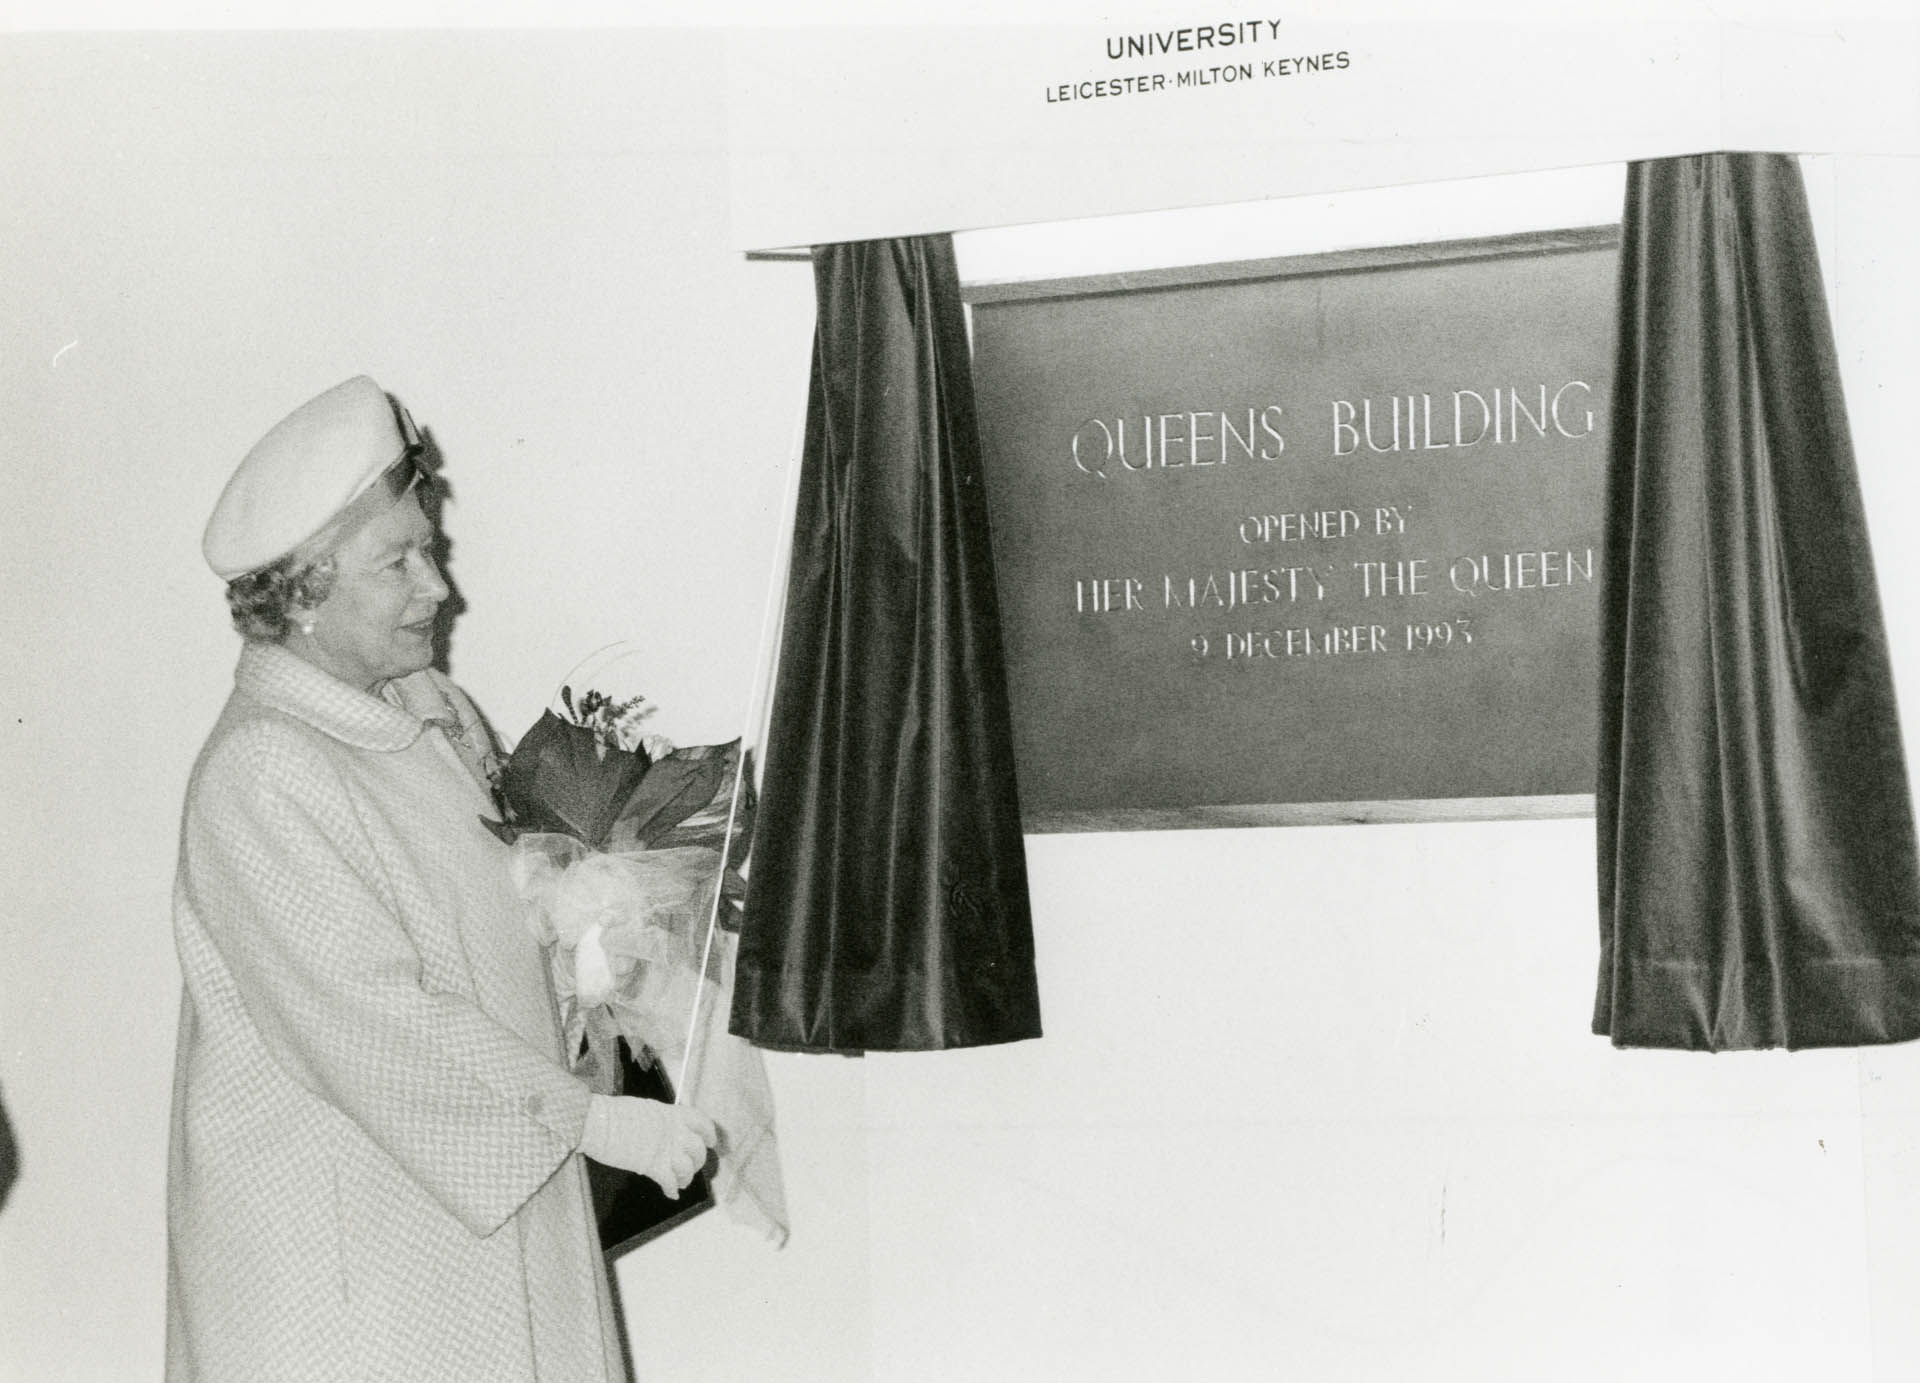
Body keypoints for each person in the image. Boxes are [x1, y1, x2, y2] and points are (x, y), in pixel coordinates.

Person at [167, 376, 716, 1383]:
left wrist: (596, 974)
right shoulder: (261, 773)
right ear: (301, 592)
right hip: (358, 1276)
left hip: (477, 1219)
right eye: (399, 561)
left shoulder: (433, 713)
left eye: (430, 548)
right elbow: (373, 1018)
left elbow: (506, 929)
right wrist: (592, 1119)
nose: (439, 589)